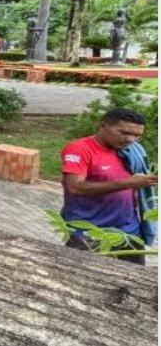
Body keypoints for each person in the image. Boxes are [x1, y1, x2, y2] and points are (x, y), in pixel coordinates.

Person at [60, 109, 157, 265]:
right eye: (124, 132)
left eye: (137, 135)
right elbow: (75, 187)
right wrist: (129, 183)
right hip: (89, 231)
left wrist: (150, 179)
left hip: (128, 230)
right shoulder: (80, 149)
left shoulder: (132, 152)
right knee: (79, 277)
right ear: (103, 126)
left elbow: (140, 180)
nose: (131, 140)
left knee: (134, 279)